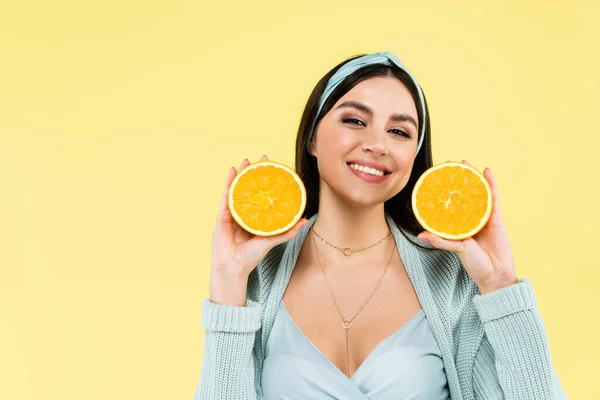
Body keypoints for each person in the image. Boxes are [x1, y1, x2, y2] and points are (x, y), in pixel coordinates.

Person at [194, 51, 568, 399]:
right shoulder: (257, 276)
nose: (377, 144)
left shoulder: (454, 279)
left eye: (399, 132)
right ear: (311, 138)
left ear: (414, 155)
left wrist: (501, 286)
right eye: (355, 121)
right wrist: (228, 286)